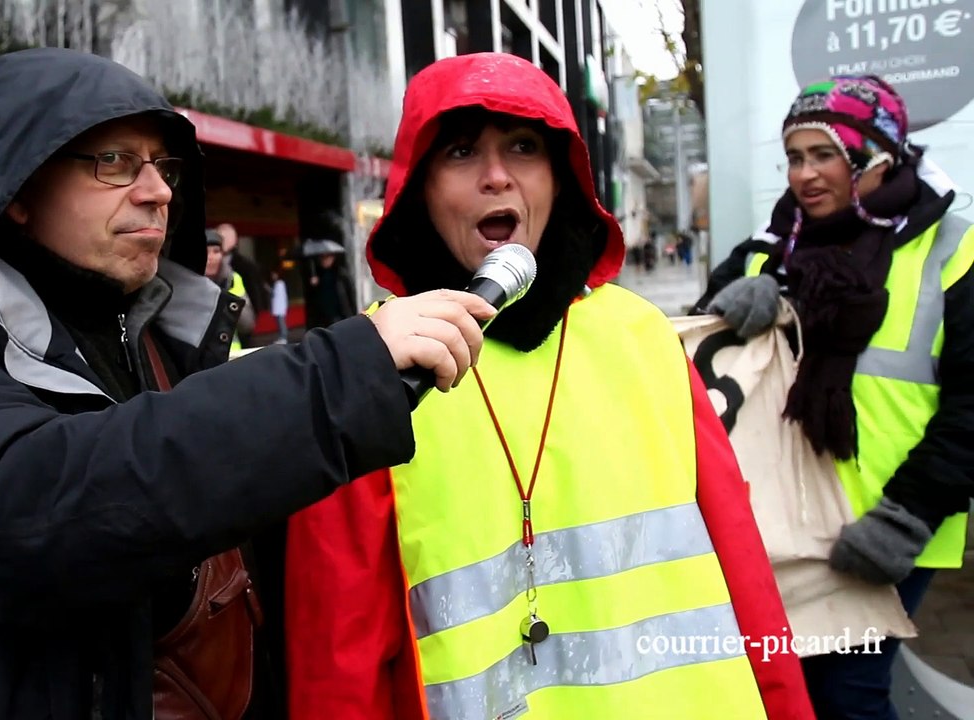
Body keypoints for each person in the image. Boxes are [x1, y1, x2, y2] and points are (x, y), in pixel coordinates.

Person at [0, 47, 493, 720]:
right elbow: (24, 507)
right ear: (21, 194)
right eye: (114, 162)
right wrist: (335, 379)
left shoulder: (175, 338)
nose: (158, 191)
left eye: (163, 165)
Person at [285, 52, 813, 720]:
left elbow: (745, 578)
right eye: (460, 151)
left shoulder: (642, 338)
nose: (497, 175)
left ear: (561, 180)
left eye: (525, 148)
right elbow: (338, 658)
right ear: (419, 187)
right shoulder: (368, 371)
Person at [694, 75, 974, 719]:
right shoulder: (774, 244)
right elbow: (709, 347)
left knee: (849, 696)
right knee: (793, 687)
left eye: (825, 155)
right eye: (794, 157)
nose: (804, 175)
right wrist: (734, 302)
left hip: (891, 524)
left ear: (877, 156)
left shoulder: (953, 250)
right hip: (790, 516)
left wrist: (904, 518)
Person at [204, 228, 254, 351]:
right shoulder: (189, 283)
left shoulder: (233, 279)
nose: (211, 257)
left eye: (216, 251)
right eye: (206, 252)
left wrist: (228, 298)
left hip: (231, 354)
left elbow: (247, 324)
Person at [216, 222, 267, 338]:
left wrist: (253, 314)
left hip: (242, 320)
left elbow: (256, 292)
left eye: (227, 237)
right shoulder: (208, 264)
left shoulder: (245, 266)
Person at [270, 266, 289, 344]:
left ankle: (283, 337)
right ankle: (282, 337)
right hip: (278, 307)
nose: (272, 276)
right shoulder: (277, 283)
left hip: (280, 307)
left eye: (274, 274)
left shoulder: (280, 283)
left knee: (281, 323)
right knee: (280, 323)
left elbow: (278, 295)